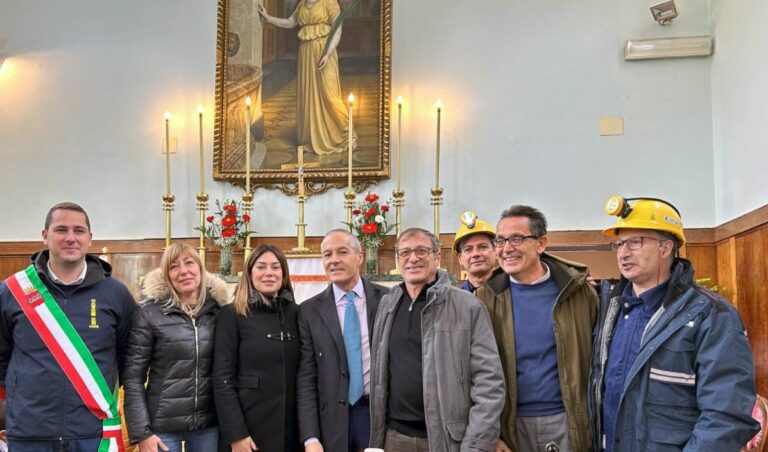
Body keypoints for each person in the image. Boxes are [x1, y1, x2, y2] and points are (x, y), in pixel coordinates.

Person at [589, 196, 760, 451]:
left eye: (635, 242)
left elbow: (726, 416)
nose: (623, 253)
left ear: (665, 248)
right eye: (619, 244)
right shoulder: (610, 309)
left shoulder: (711, 315)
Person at [0, 202, 135, 451]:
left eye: (79, 231)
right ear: (45, 236)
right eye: (61, 229)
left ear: (90, 239)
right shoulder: (12, 291)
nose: (70, 238)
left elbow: (127, 358)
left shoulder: (116, 293)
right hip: (30, 433)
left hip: (93, 435)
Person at [369, 227, 505, 452]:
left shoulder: (467, 306)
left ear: (437, 256)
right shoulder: (387, 305)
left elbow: (489, 382)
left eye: (421, 250)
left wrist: (476, 444)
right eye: (405, 253)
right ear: (398, 260)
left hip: (446, 439)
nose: (413, 258)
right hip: (394, 438)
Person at [475, 205, 598, 452]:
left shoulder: (579, 294)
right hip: (509, 427)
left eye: (517, 239)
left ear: (541, 244)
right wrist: (491, 435)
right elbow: (473, 373)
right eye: (500, 240)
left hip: (568, 422)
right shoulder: (485, 299)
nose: (506, 248)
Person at [123, 243, 229, 451]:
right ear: (167, 275)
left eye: (189, 263)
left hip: (208, 423)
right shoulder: (148, 312)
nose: (183, 271)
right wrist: (142, 433)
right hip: (161, 426)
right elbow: (133, 377)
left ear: (200, 269)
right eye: (174, 266)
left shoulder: (220, 311)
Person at [297, 229, 389, 452]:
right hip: (331, 422)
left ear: (360, 257)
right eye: (327, 255)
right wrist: (310, 437)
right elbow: (306, 377)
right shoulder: (309, 310)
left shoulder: (387, 299)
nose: (334, 260)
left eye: (342, 252)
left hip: (377, 417)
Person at [213, 244, 301, 452]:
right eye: (261, 267)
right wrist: (236, 434)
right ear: (250, 273)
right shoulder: (232, 314)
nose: (269, 273)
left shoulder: (297, 313)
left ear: (284, 274)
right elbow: (222, 380)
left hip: (291, 430)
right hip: (249, 430)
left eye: (275, 267)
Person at [257, 0, 356, 155]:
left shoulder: (329, 2)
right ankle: (310, 138)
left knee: (330, 96)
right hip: (306, 53)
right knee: (308, 95)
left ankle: (346, 135)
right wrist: (268, 17)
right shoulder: (302, 4)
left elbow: (337, 29)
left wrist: (328, 53)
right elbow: (290, 22)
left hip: (324, 52)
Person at [452, 211, 501, 293]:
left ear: (495, 251)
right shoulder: (453, 300)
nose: (475, 254)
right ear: (460, 258)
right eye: (468, 249)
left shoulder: (512, 293)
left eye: (482, 247)